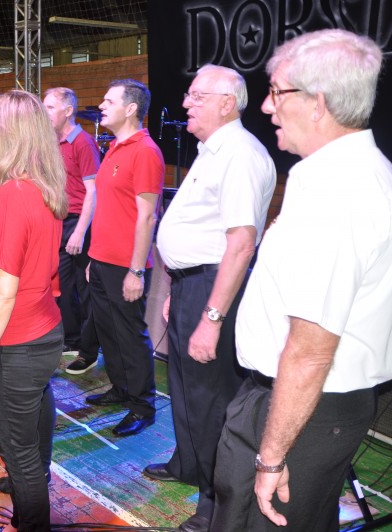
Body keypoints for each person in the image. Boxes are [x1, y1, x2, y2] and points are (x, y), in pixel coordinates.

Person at [211, 29, 392, 532]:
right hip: (309, 407)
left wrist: (271, 456)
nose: (267, 107)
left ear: (319, 104)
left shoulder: (338, 191)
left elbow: (310, 351)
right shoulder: (341, 175)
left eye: (276, 92)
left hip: (299, 411)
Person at [149, 65, 276, 532]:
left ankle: (217, 503)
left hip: (214, 288)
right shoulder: (213, 151)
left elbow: (241, 243)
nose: (186, 104)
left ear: (227, 102)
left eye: (197, 96)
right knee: (184, 390)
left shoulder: (239, 154)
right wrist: (178, 291)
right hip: (194, 285)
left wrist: (212, 315)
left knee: (210, 401)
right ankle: (189, 465)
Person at [0, 90, 67, 531]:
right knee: (33, 435)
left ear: (8, 133)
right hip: (39, 333)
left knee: (16, 449)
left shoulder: (15, 194)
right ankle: (34, 491)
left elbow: (4, 288)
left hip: (16, 340)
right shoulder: (38, 186)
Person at [84, 79, 164, 438]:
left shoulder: (145, 151)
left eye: (108, 99)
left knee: (130, 336)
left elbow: (147, 216)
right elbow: (109, 208)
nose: (101, 105)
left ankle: (143, 405)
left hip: (125, 265)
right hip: (101, 260)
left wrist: (136, 269)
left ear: (131, 108)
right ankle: (121, 389)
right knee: (109, 332)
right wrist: (93, 257)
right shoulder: (115, 147)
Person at [42, 87, 101, 374]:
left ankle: (89, 350)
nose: (45, 113)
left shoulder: (83, 142)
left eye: (50, 107)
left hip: (81, 222)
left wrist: (79, 232)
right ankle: (73, 338)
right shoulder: (54, 143)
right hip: (61, 221)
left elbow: (93, 191)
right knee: (63, 287)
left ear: (68, 111)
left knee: (84, 288)